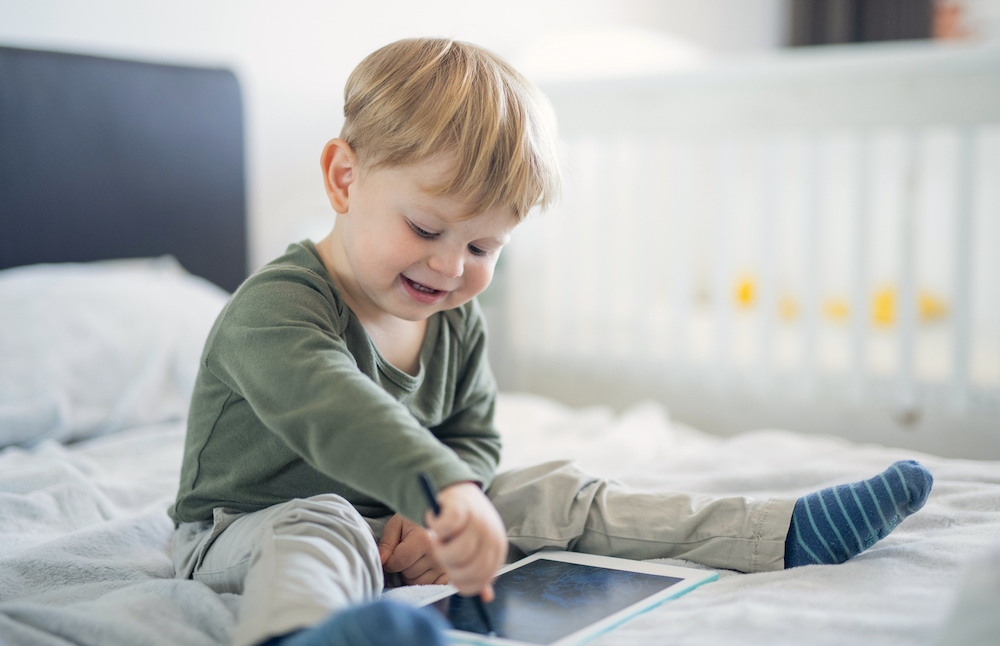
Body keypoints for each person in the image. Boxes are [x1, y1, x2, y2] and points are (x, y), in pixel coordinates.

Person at [169, 38, 933, 646]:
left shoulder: (455, 317)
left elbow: (472, 433)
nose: (450, 266)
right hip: (248, 528)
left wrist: (451, 504)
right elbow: (334, 409)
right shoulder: (275, 309)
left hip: (401, 513)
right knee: (322, 522)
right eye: (427, 229)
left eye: (483, 247)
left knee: (553, 491)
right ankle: (302, 635)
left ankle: (781, 532)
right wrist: (445, 492)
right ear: (343, 180)